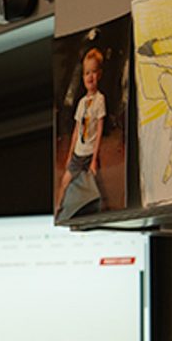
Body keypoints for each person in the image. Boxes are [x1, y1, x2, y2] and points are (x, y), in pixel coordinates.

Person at [57, 46, 106, 216]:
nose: (90, 77)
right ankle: (59, 210)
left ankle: (92, 212)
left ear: (99, 74)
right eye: (86, 73)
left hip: (89, 153)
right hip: (78, 152)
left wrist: (94, 159)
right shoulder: (81, 103)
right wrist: (70, 155)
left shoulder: (100, 100)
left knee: (93, 186)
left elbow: (99, 130)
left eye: (93, 72)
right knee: (65, 181)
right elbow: (77, 130)